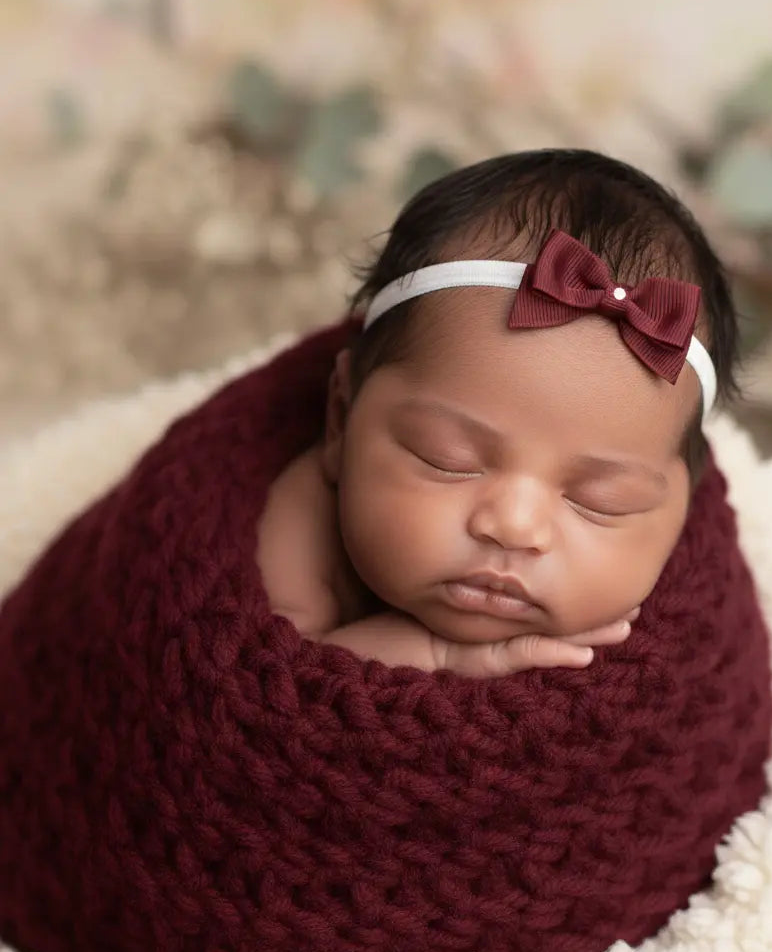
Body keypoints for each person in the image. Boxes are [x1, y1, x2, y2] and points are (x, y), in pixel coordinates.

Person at [257, 148, 740, 677]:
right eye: (446, 458)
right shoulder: (300, 523)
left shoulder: (687, 633)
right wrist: (443, 657)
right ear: (341, 418)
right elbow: (275, 680)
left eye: (600, 501)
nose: (514, 526)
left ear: (683, 506)